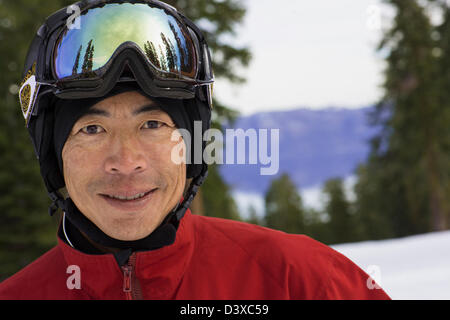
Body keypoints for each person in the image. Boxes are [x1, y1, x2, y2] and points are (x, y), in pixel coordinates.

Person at [0, 0, 390, 300]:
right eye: (92, 128)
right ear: (54, 155)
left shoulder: (300, 282)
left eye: (152, 124)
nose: (126, 162)